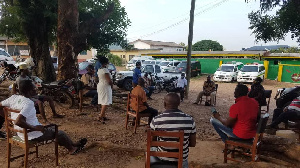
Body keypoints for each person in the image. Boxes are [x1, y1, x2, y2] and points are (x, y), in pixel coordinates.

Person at [0, 80, 87, 154]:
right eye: (34, 89)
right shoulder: (28, 103)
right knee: (59, 133)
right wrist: (35, 128)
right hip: (31, 134)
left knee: (52, 127)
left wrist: (8, 120)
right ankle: (72, 149)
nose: (36, 90)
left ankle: (73, 144)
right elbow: (18, 121)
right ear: (29, 91)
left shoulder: (13, 97)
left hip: (21, 132)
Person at [150, 93, 196, 168]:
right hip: (181, 162)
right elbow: (193, 144)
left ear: (164, 104)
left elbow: (152, 142)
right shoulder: (190, 120)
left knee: (151, 148)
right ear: (179, 103)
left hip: (162, 158)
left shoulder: (156, 120)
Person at [97, 56, 113, 123]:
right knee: (106, 101)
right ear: (106, 62)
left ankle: (103, 115)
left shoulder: (99, 69)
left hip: (100, 85)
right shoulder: (105, 70)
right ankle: (100, 116)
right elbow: (109, 80)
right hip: (105, 86)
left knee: (102, 100)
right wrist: (112, 85)